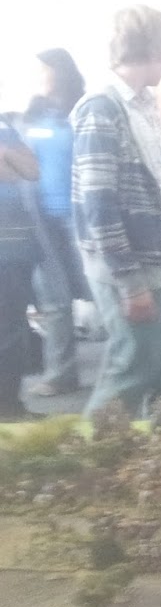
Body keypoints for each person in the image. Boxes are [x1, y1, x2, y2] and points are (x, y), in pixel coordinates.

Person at [73, 5, 161, 419]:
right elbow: (98, 204)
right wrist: (130, 284)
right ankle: (95, 456)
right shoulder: (101, 108)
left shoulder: (148, 106)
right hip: (132, 266)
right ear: (154, 49)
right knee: (131, 371)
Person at [21, 48, 88, 397]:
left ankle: (131, 372)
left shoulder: (83, 111)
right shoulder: (33, 116)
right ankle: (61, 374)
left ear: (60, 72)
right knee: (53, 299)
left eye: (43, 70)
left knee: (104, 292)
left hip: (81, 218)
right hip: (42, 221)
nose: (38, 78)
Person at [0, 117, 43, 420]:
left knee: (13, 328)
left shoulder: (5, 128)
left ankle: (9, 405)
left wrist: (6, 154)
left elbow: (30, 171)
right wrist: (8, 157)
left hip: (15, 247)